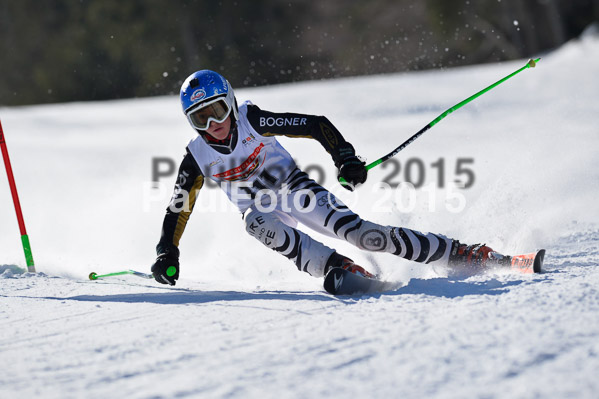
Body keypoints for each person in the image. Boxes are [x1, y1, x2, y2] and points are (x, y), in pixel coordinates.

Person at [151, 70, 502, 286]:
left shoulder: (251, 121)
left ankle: (463, 253)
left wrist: (345, 158)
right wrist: (167, 251)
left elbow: (315, 124)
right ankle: (336, 266)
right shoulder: (197, 156)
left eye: (216, 112)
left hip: (296, 190)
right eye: (201, 119)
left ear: (230, 102)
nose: (213, 126)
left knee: (365, 236)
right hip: (264, 213)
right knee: (254, 221)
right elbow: (178, 207)